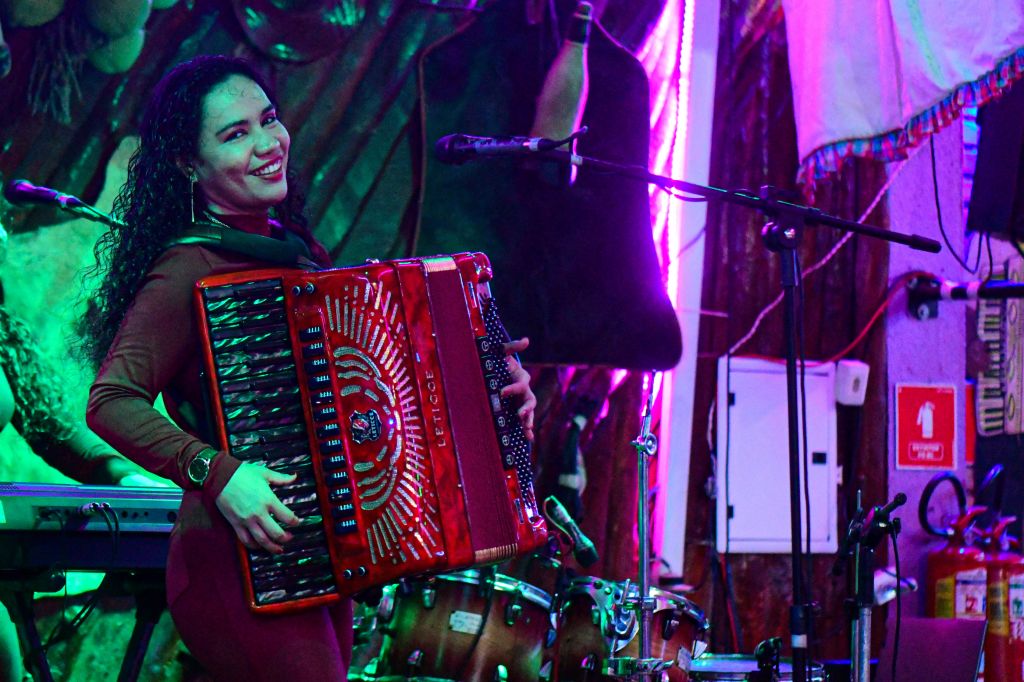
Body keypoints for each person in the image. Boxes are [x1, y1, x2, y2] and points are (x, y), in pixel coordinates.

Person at [79, 55, 536, 681]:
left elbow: (380, 408)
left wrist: (494, 402)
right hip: (232, 564)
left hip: (314, 560)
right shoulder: (188, 268)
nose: (268, 143)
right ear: (188, 164)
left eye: (269, 120)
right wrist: (219, 472)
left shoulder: (297, 259)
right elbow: (111, 400)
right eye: (235, 134)